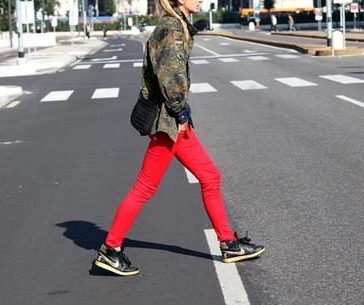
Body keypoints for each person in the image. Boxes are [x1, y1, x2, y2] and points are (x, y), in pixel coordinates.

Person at [92, 0, 265, 276]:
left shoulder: (176, 25)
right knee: (145, 187)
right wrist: (181, 112)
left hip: (172, 121)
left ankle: (228, 243)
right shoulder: (172, 28)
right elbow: (169, 76)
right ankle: (110, 249)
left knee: (210, 177)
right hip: (169, 123)